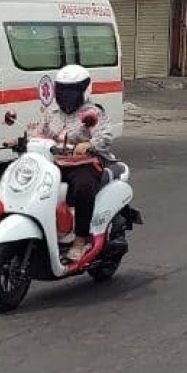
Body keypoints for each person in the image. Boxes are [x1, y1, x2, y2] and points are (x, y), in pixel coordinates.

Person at [28, 64, 113, 262]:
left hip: (85, 163)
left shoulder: (93, 112)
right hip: (57, 163)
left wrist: (89, 144)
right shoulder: (53, 114)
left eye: (72, 91)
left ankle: (80, 240)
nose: (67, 95)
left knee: (83, 188)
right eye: (63, 90)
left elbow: (105, 135)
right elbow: (41, 133)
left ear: (84, 90)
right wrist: (22, 140)